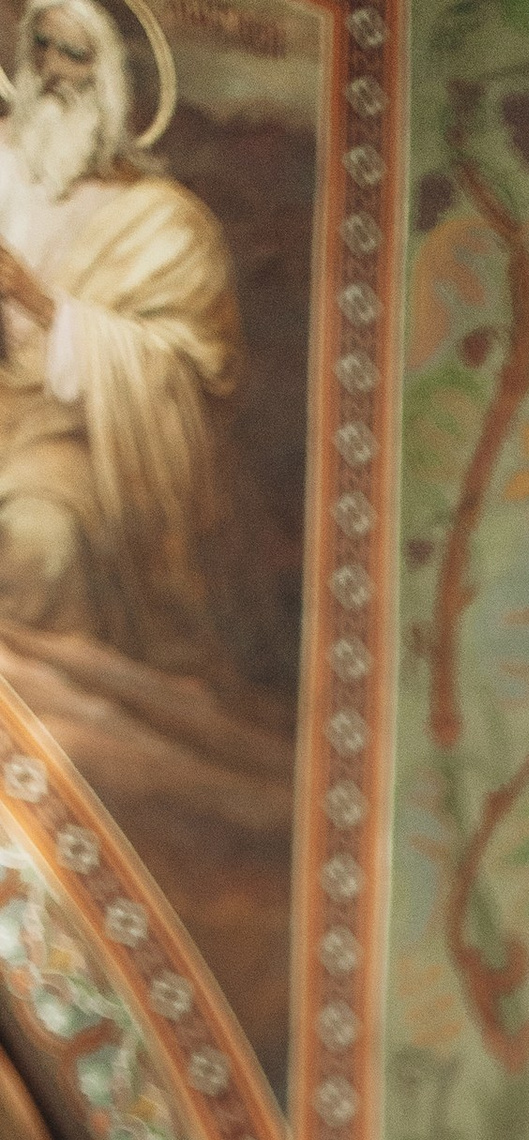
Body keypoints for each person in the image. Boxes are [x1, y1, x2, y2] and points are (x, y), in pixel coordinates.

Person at [0, 0, 243, 670]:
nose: (51, 69)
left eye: (74, 54)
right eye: (41, 46)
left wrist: (44, 307)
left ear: (109, 76)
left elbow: (194, 371)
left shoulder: (166, 223)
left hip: (68, 438)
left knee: (34, 544)